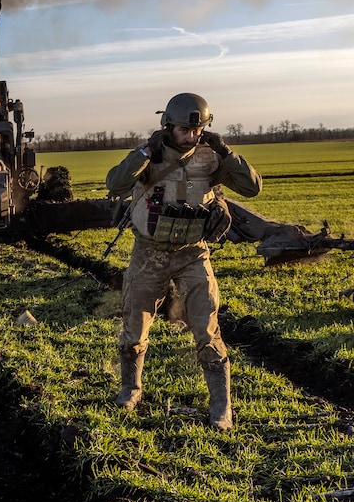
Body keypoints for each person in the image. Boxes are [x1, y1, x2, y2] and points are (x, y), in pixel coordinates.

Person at [104, 92, 262, 430]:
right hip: (149, 253)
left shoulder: (210, 158)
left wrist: (226, 152)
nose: (191, 137)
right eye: (184, 130)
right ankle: (131, 388)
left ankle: (221, 407)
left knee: (207, 329)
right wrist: (146, 153)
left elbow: (252, 188)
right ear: (167, 126)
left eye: (198, 131)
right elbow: (114, 183)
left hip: (193, 253)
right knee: (135, 328)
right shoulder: (149, 156)